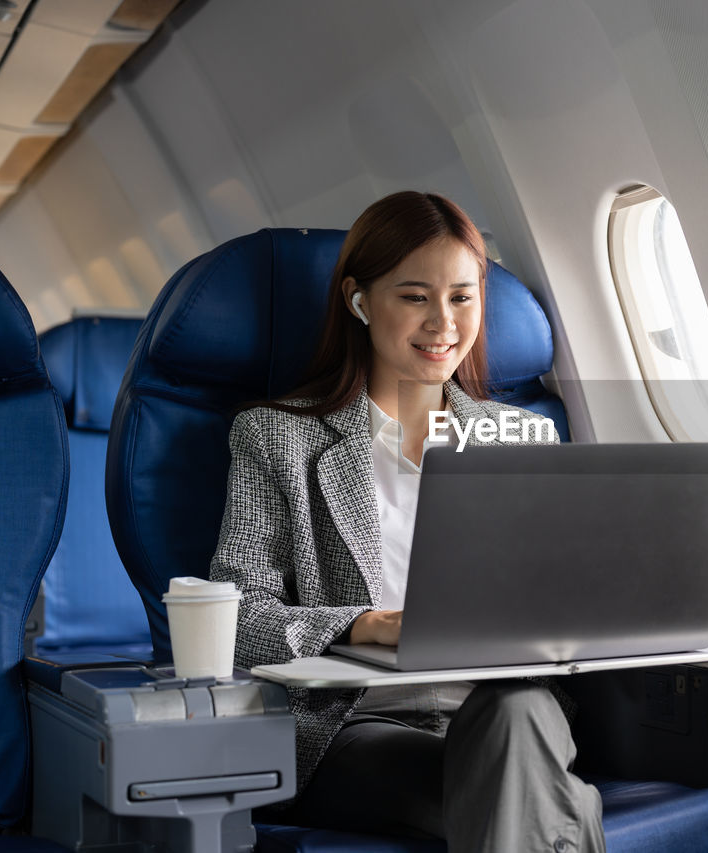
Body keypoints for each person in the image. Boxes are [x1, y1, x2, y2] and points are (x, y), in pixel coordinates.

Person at [209, 191, 605, 852]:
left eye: (462, 296)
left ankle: (561, 801)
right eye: (415, 296)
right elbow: (239, 619)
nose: (443, 323)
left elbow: (556, 600)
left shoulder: (526, 440)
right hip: (355, 725)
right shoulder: (275, 438)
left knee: (518, 714)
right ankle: (571, 806)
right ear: (360, 302)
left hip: (503, 710)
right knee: (537, 796)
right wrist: (363, 625)